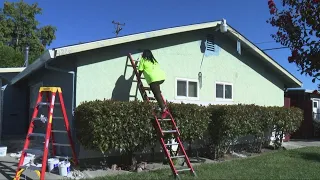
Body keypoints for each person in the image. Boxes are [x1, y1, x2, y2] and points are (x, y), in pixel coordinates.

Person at [138, 49, 168, 117]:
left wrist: (138, 77)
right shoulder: (154, 60)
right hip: (161, 77)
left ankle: (163, 109)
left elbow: (140, 70)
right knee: (157, 92)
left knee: (156, 94)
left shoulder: (143, 59)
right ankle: (163, 106)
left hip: (153, 79)